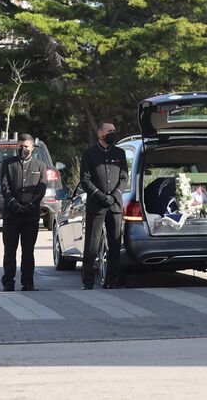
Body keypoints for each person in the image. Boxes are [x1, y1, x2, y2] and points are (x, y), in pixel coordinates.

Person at [79, 121, 128, 290]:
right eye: (109, 131)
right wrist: (101, 196)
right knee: (92, 245)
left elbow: (124, 178)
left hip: (114, 206)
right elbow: (85, 180)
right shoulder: (89, 154)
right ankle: (88, 282)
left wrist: (114, 196)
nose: (113, 133)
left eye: (114, 130)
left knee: (114, 245)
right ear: (100, 133)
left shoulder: (120, 153)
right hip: (96, 206)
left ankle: (112, 281)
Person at [0, 134, 47, 292]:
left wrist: (31, 205)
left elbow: (41, 189)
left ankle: (28, 283)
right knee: (9, 251)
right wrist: (14, 204)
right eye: (20, 146)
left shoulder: (40, 165)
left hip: (30, 216)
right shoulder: (8, 164)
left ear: (32, 148)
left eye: (26, 146)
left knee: (28, 251)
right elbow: (4, 187)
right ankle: (8, 282)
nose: (22, 149)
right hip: (11, 215)